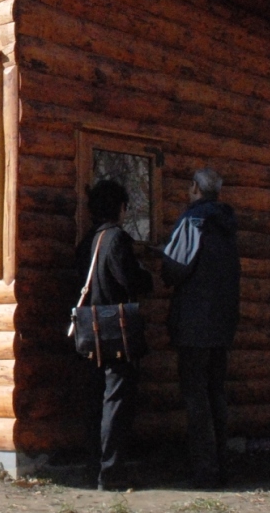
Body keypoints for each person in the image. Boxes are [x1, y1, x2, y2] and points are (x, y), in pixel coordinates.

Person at [161, 168, 240, 489]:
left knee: (196, 399)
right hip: (222, 325)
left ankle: (205, 471)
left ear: (194, 188)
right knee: (216, 395)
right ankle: (220, 464)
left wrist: (161, 258)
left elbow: (175, 268)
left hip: (194, 326)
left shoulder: (194, 221)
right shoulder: (227, 226)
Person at [75, 180, 153, 491]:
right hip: (116, 333)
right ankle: (111, 473)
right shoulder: (116, 238)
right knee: (116, 402)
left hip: (88, 334)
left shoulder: (86, 243)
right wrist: (145, 275)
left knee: (96, 401)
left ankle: (94, 466)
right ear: (119, 208)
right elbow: (130, 280)